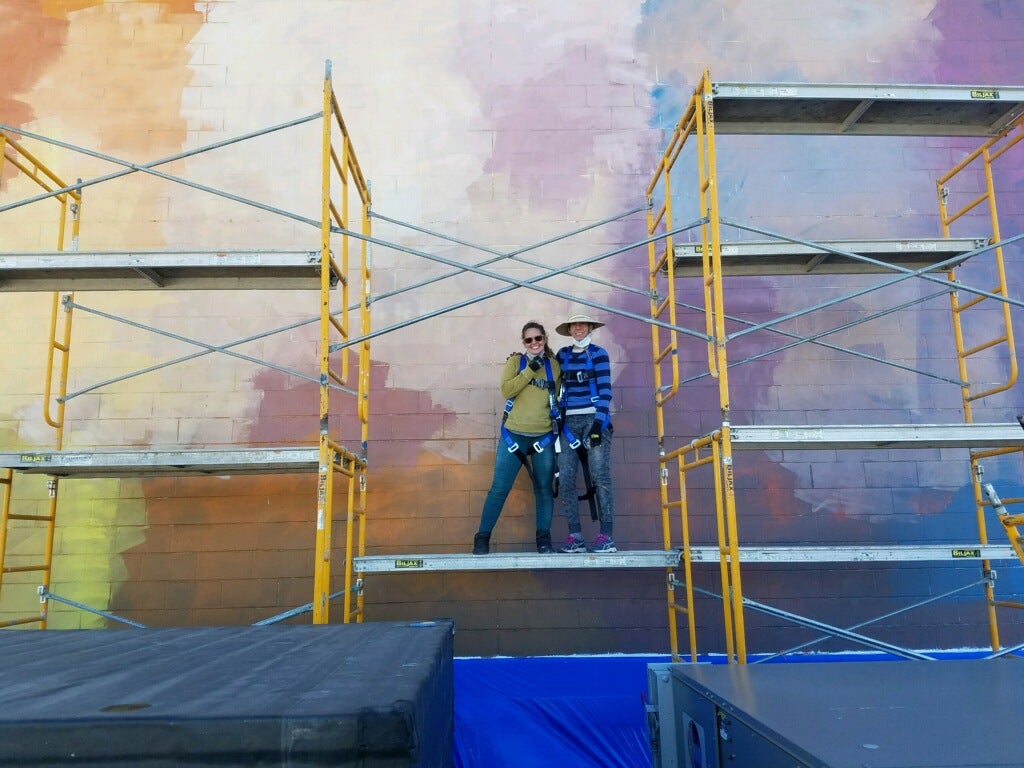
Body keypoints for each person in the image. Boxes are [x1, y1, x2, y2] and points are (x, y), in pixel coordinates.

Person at [473, 321, 562, 555]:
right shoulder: (515, 362)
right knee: (499, 488)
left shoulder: (554, 366)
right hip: (513, 435)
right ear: (523, 343)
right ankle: (482, 538)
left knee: (543, 489)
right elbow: (507, 390)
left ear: (545, 339)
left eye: (538, 339)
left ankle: (543, 540)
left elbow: (558, 398)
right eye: (529, 340)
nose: (534, 343)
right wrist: (530, 369)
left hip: (543, 437)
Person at [554, 311, 616, 553]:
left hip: (593, 420)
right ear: (569, 330)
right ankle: (575, 537)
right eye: (573, 325)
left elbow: (605, 392)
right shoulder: (562, 355)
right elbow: (554, 384)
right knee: (565, 479)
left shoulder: (599, 354)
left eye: (582, 324)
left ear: (590, 327)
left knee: (600, 477)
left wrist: (598, 426)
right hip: (568, 424)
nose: (578, 328)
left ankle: (607, 537)